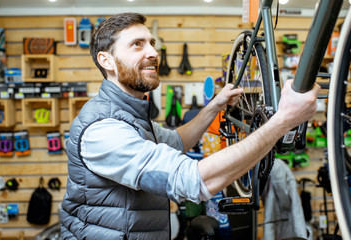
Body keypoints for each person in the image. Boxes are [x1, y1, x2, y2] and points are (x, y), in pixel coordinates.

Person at [60, 12, 320, 239]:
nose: (152, 52)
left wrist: (213, 107)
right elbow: (194, 181)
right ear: (106, 61)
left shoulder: (130, 114)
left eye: (151, 42)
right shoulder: (103, 129)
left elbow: (177, 141)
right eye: (137, 45)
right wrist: (283, 120)